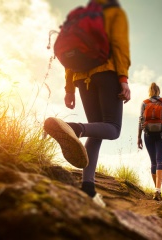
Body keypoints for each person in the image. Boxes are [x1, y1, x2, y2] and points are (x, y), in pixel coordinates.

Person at [44, 0, 130, 207]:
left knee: (97, 130)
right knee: (113, 128)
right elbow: (119, 46)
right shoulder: (113, 13)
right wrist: (123, 80)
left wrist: (69, 89)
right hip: (106, 73)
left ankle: (88, 188)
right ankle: (73, 129)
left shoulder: (80, 15)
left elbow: (71, 58)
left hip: (81, 79)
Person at [137, 83, 162, 201]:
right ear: (158, 91)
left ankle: (156, 190)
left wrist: (139, 137)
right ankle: (158, 190)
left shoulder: (144, 103)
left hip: (148, 134)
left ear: (150, 91)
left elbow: (140, 120)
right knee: (160, 160)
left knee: (153, 162)